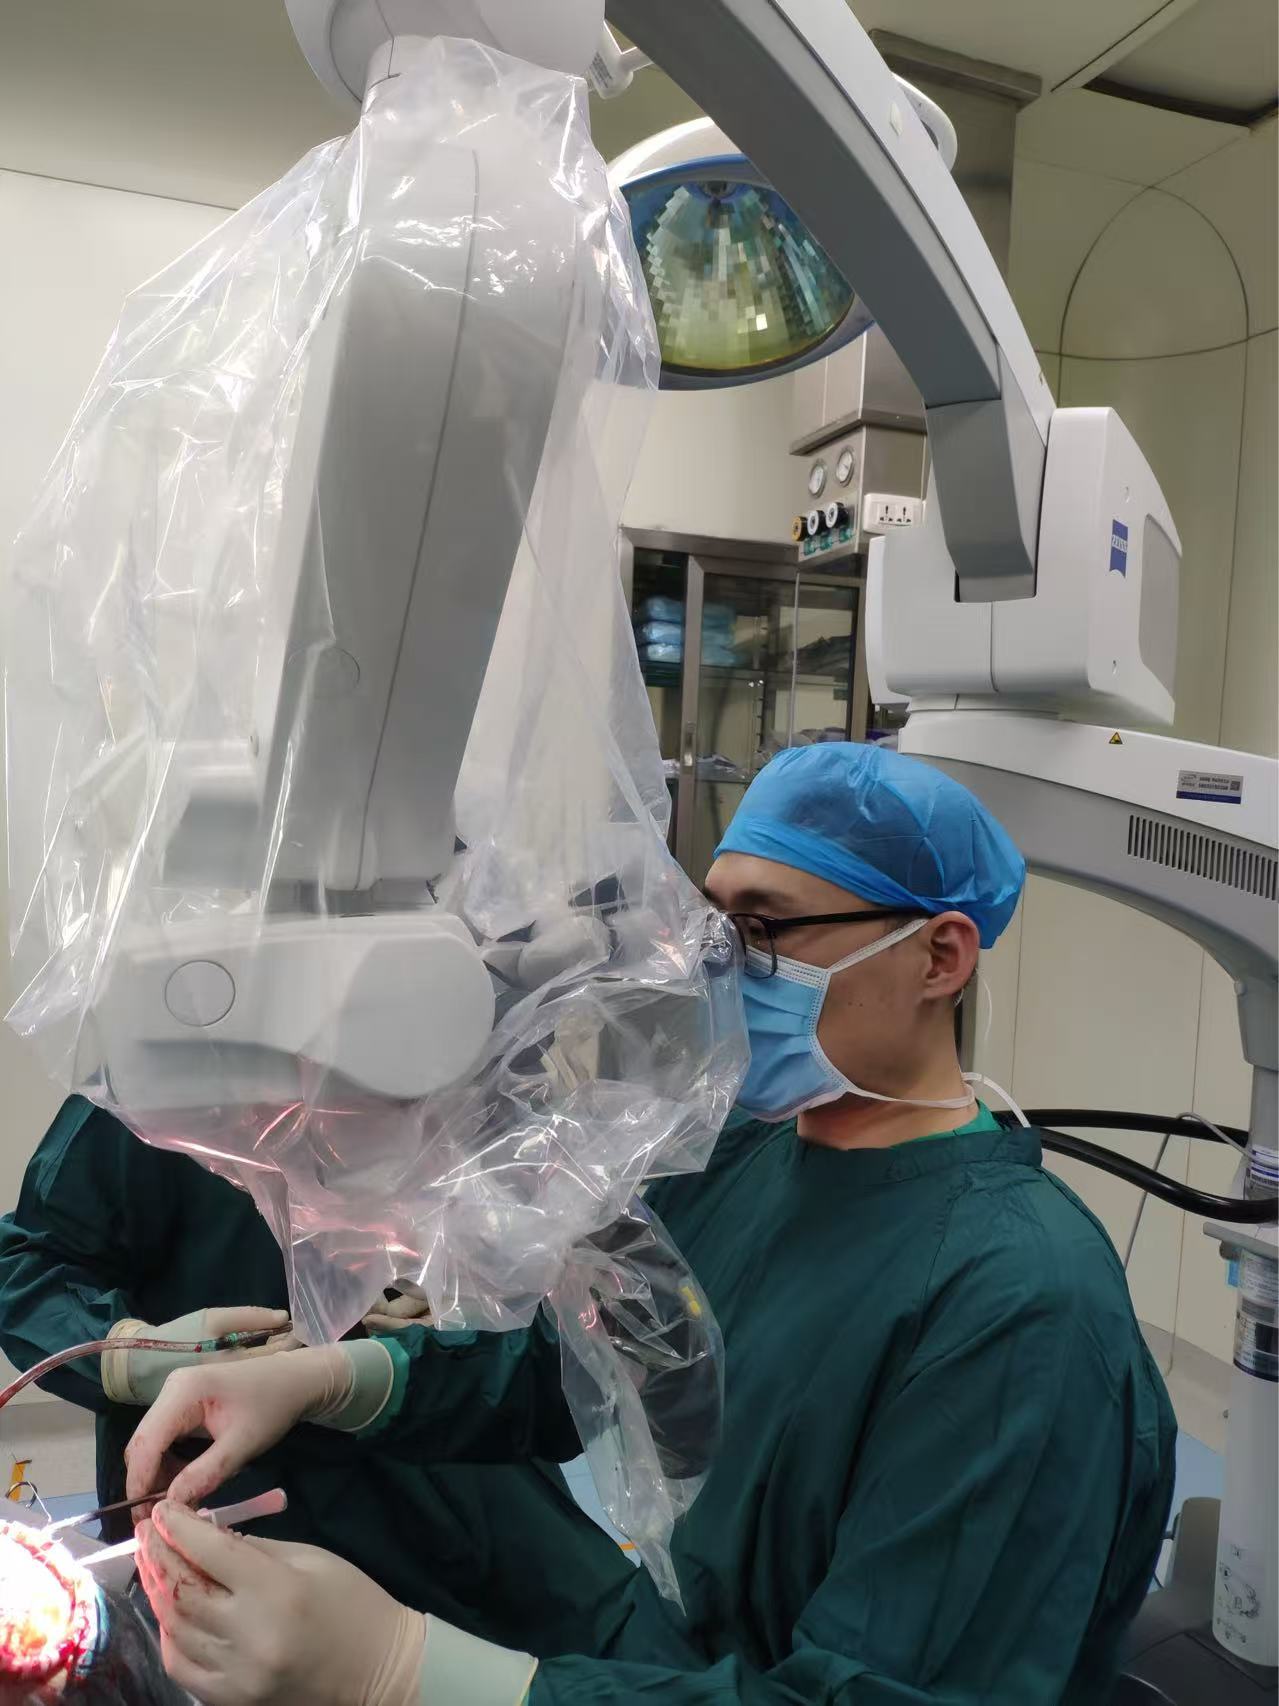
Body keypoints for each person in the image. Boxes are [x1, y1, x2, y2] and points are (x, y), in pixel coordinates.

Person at [124, 743, 1177, 1705]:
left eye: (762, 930)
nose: (715, 966)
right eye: (712, 926)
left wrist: (406, 1670)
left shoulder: (1018, 1303)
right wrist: (337, 1379)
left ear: (940, 957)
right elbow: (598, 1362)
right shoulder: (737, 1157)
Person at [0, 1096, 632, 1657]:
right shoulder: (164, 1078)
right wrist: (129, 1357)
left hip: (462, 1438)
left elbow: (580, 1313)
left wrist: (482, 1296)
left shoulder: (471, 1060)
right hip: (232, 1491)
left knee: (597, 1653)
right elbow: (22, 1272)